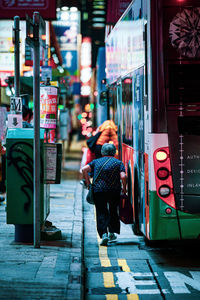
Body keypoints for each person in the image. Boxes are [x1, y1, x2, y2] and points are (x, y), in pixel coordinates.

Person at [81, 143, 127, 246]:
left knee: (101, 211)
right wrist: (124, 188)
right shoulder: (118, 163)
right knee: (113, 211)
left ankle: (104, 234)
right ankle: (111, 233)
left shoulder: (96, 162)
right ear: (114, 152)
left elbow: (84, 170)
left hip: (99, 190)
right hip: (114, 191)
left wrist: (89, 184)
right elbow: (123, 176)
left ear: (102, 152)